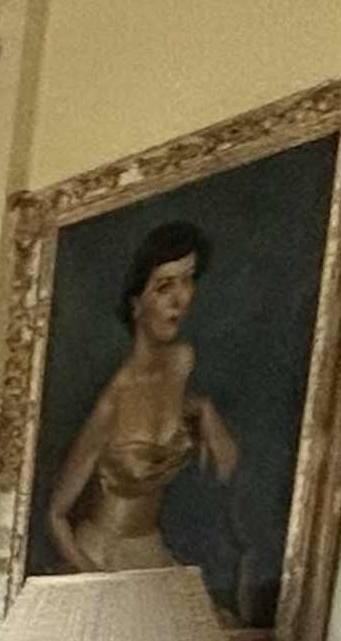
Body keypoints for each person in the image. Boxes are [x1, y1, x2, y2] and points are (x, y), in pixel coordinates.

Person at [44, 219, 241, 606]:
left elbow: (228, 467)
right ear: (136, 304)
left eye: (187, 281)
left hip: (150, 550)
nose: (180, 299)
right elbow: (56, 516)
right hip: (103, 553)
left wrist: (203, 411)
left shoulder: (182, 362)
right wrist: (98, 581)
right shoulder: (113, 400)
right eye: (165, 286)